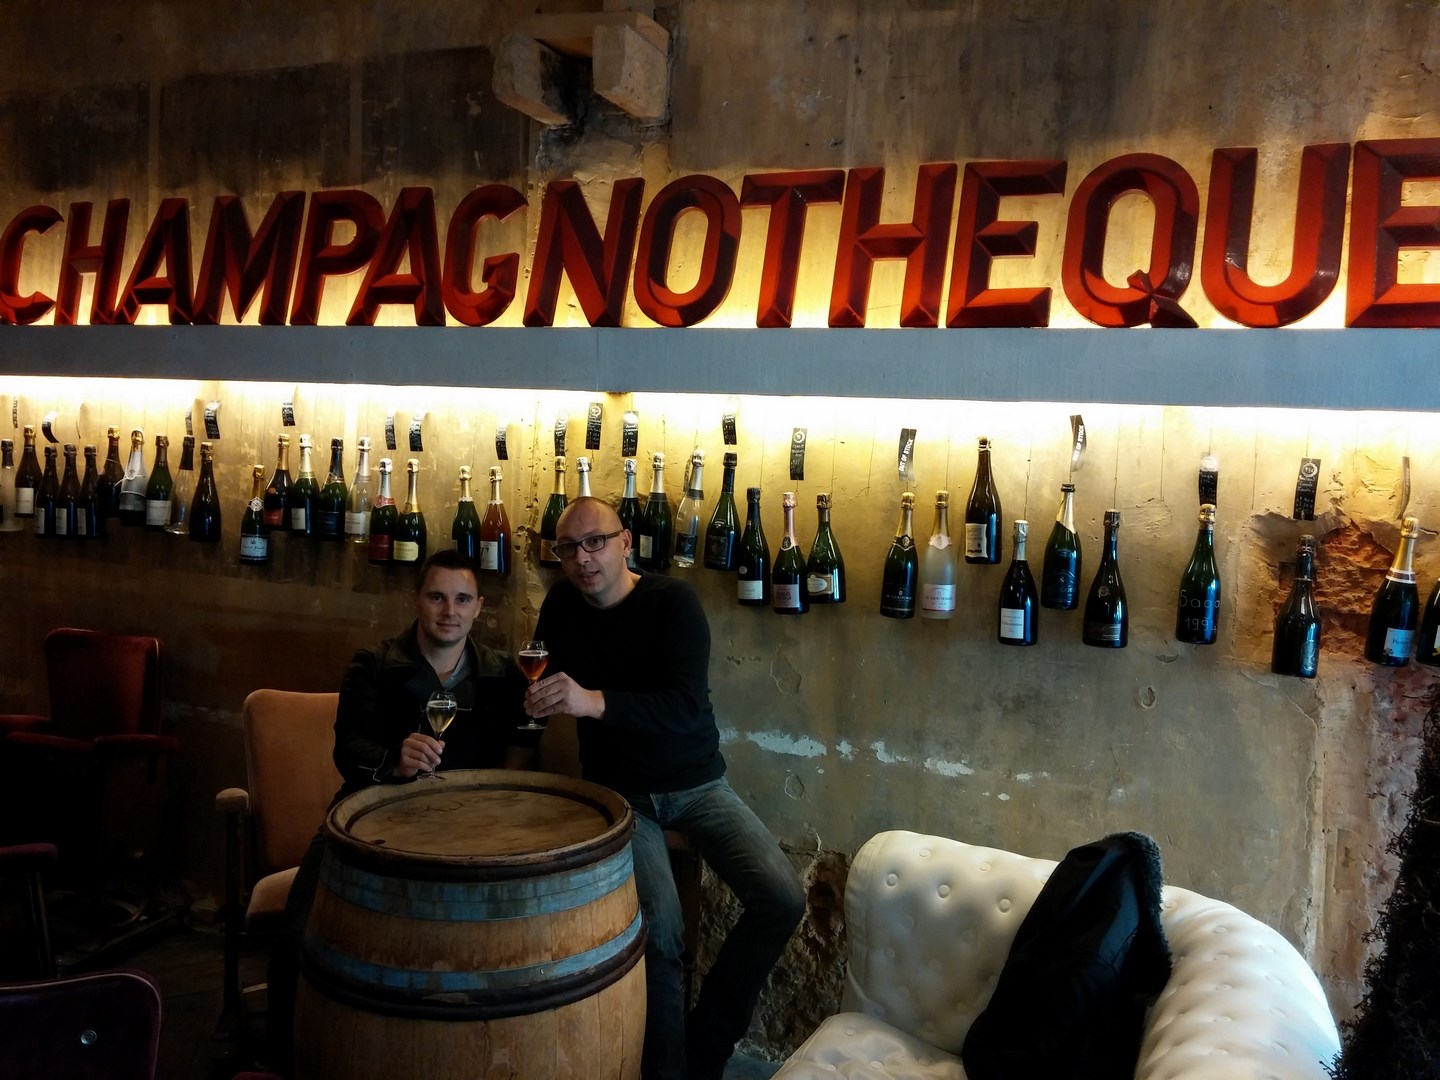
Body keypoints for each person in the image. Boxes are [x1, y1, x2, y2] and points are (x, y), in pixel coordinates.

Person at [524, 496, 805, 1080]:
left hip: (697, 783)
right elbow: (540, 681)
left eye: (595, 541)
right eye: (569, 548)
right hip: (620, 794)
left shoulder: (673, 602)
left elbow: (682, 707)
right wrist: (531, 709)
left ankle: (707, 1045)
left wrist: (592, 702)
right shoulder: (561, 605)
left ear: (626, 542)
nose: (583, 558)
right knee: (662, 934)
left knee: (783, 898)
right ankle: (668, 1072)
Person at [268, 548, 534, 1070]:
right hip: (370, 814)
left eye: (462, 599)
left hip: (468, 827)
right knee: (300, 931)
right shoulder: (374, 664)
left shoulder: (502, 673)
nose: (449, 611)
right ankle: (281, 1056)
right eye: (437, 597)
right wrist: (393, 760)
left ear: (479, 607)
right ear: (416, 600)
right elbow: (348, 749)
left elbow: (520, 749)